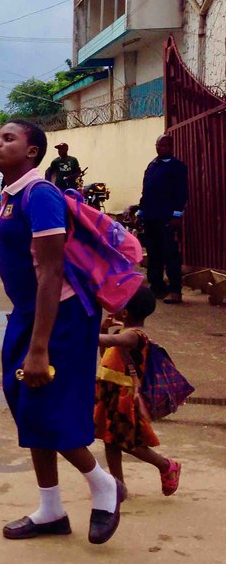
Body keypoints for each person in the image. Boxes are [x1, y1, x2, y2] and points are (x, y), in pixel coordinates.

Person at [0, 120, 124, 545]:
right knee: (26, 407)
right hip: (27, 314)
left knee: (45, 408)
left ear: (32, 152)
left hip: (61, 317)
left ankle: (103, 486)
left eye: (9, 138)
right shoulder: (10, 196)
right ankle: (51, 510)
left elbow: (51, 272)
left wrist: (39, 347)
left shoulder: (40, 194)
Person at [94, 286, 181, 498]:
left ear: (124, 312)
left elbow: (110, 342)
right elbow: (106, 353)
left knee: (128, 442)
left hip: (123, 396)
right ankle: (118, 485)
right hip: (109, 391)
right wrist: (104, 330)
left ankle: (166, 465)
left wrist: (88, 332)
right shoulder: (122, 333)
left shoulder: (135, 336)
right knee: (110, 439)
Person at [138, 134, 188, 304]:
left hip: (167, 216)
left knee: (170, 253)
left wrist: (176, 214)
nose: (161, 148)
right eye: (158, 145)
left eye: (164, 145)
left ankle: (175, 290)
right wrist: (141, 212)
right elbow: (146, 190)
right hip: (151, 216)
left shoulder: (177, 167)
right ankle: (157, 287)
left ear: (171, 146)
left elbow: (182, 192)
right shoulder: (152, 165)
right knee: (154, 252)